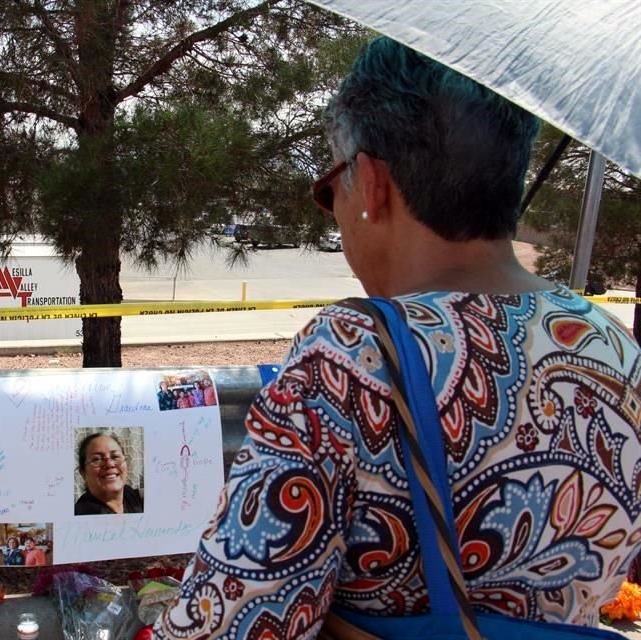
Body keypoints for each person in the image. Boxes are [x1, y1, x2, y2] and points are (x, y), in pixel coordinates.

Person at [155, 37, 641, 638]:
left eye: (330, 187)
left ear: (371, 182)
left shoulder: (350, 355)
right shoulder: (613, 347)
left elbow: (232, 622)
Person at [74, 433, 144, 516]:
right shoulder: (82, 514)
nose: (109, 464)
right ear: (83, 473)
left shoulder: (129, 495)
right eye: (97, 459)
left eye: (115, 456)